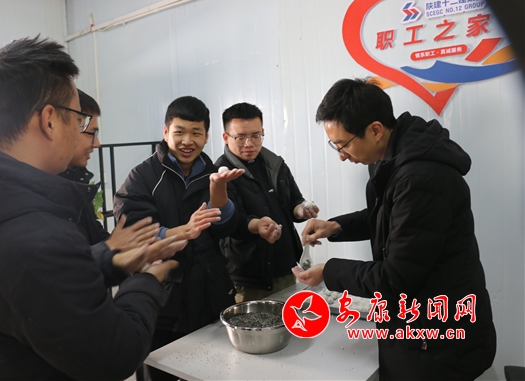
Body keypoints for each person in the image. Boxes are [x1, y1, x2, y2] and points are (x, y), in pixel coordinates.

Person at [0, 36, 185, 380]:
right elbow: (114, 355)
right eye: (79, 120)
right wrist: (147, 281)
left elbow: (26, 291)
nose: (86, 136)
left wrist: (110, 263)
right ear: (49, 120)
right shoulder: (36, 237)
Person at [293, 78, 496, 380]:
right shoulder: (390, 156)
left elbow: (395, 278)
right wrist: (336, 227)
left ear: (375, 130)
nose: (341, 155)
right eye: (334, 145)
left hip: (438, 336)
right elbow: (389, 216)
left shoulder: (421, 178)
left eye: (343, 144)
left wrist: (329, 271)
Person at [113, 96, 244, 380]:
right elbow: (131, 233)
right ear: (165, 132)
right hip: (163, 297)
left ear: (206, 136)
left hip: (210, 294)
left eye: (196, 133)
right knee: (161, 369)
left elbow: (227, 228)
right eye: (179, 132)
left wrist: (218, 191)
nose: (187, 141)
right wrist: (181, 231)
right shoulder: (143, 176)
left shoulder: (214, 173)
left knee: (213, 371)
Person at [215, 102, 319, 302]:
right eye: (240, 137)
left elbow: (294, 201)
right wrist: (257, 225)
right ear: (226, 137)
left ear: (262, 132)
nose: (249, 144)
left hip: (287, 268)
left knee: (289, 319)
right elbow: (232, 222)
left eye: (256, 136)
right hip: (249, 279)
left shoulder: (274, 163)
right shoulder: (221, 174)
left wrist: (301, 210)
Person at [58, 89, 159, 254]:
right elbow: (68, 261)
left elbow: (96, 237)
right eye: (91, 133)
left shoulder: (75, 182)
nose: (97, 143)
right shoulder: (46, 191)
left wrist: (127, 248)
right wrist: (112, 248)